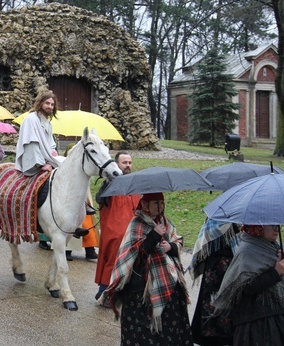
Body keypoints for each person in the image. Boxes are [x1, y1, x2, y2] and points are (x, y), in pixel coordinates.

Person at [104, 192, 192, 345]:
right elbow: (135, 255)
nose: (160, 207)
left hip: (167, 281)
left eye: (162, 203)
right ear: (145, 205)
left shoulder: (165, 222)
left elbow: (177, 240)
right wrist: (154, 236)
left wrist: (170, 247)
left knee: (169, 325)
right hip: (142, 285)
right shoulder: (136, 223)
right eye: (156, 203)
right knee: (144, 328)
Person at [15, 90, 89, 244]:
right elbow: (32, 144)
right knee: (42, 183)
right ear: (40, 103)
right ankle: (32, 215)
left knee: (74, 170)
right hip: (35, 161)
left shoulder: (47, 122)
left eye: (52, 104)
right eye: (47, 103)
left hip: (48, 157)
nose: (49, 106)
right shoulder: (31, 119)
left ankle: (81, 206)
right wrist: (41, 165)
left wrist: (53, 152)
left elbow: (49, 144)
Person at [213, 225, 284, 346]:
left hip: (280, 319)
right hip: (256, 323)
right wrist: (276, 272)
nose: (276, 229)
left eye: (277, 225)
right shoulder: (247, 251)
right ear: (258, 227)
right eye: (271, 226)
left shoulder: (281, 249)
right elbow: (245, 288)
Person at [94, 151, 140, 304]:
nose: (127, 165)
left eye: (129, 163)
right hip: (115, 233)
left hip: (133, 232)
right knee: (112, 260)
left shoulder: (135, 182)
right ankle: (104, 292)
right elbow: (99, 199)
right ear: (117, 164)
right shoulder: (109, 183)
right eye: (124, 162)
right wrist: (108, 183)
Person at [190, 219, 239, 345]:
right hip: (214, 269)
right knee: (211, 303)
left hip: (232, 267)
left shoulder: (240, 217)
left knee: (230, 305)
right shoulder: (214, 218)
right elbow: (204, 242)